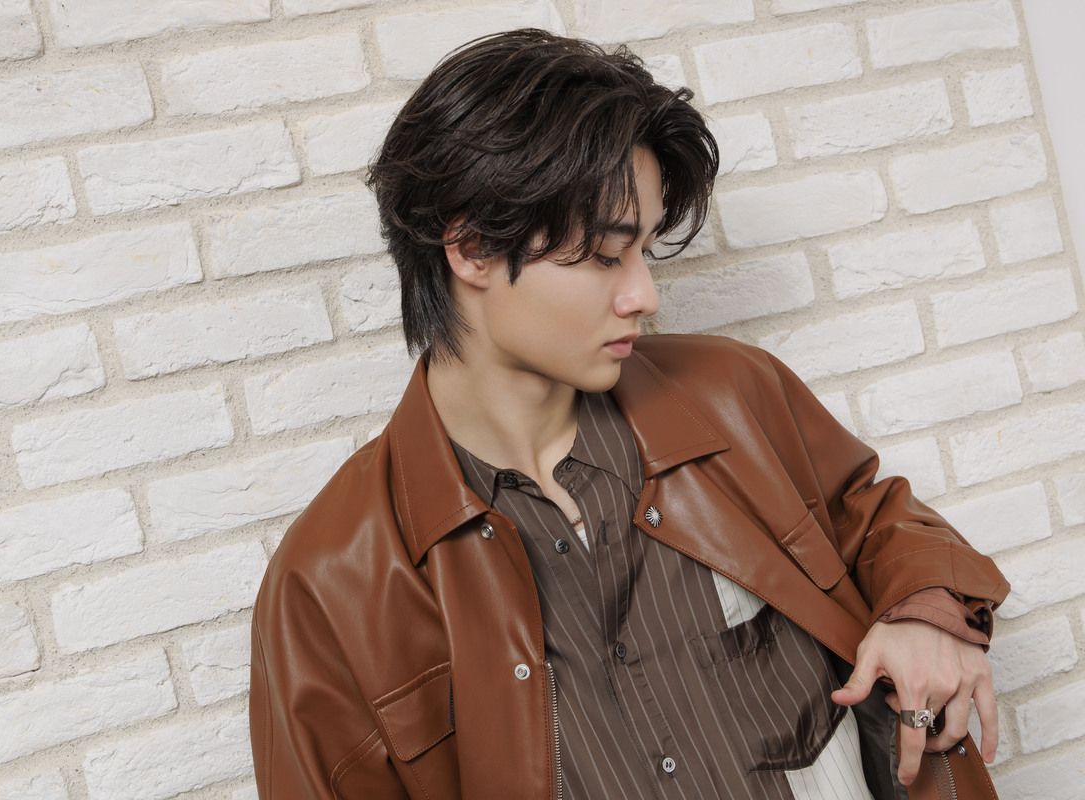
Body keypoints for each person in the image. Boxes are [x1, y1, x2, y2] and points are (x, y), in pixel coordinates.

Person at [249, 28, 1010, 800]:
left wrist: (927, 617)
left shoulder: (731, 394)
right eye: (607, 256)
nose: (644, 294)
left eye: (647, 249)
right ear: (472, 248)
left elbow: (877, 519)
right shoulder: (328, 586)